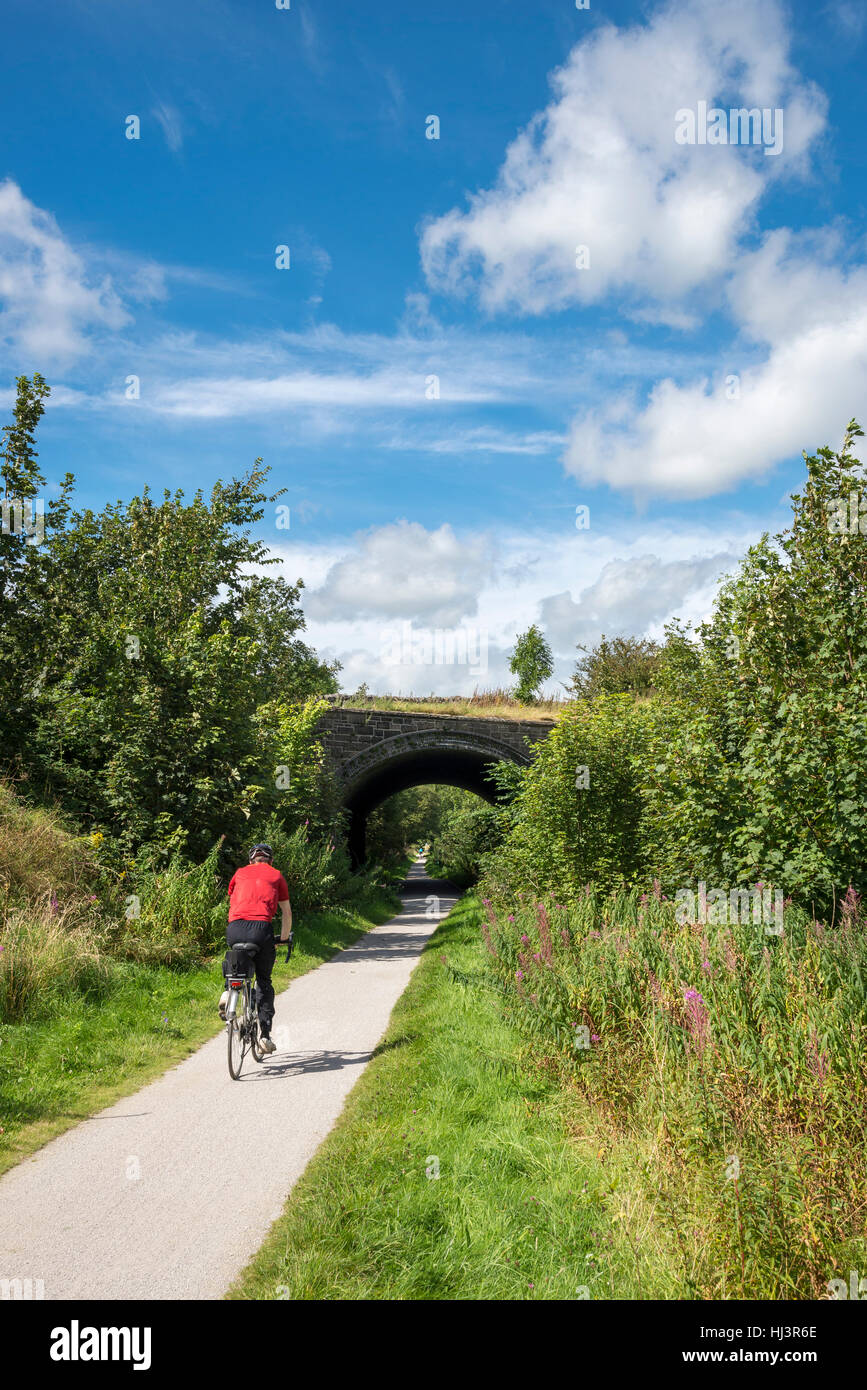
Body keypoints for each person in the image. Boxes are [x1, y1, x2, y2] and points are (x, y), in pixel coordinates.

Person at [219, 843, 292, 1054]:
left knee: (237, 963)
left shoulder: (240, 873)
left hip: (235, 928)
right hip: (261, 930)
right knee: (263, 981)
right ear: (271, 861)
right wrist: (283, 938)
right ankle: (264, 1037)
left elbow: (232, 900)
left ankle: (227, 991)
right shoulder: (276, 875)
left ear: (251, 861)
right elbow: (286, 912)